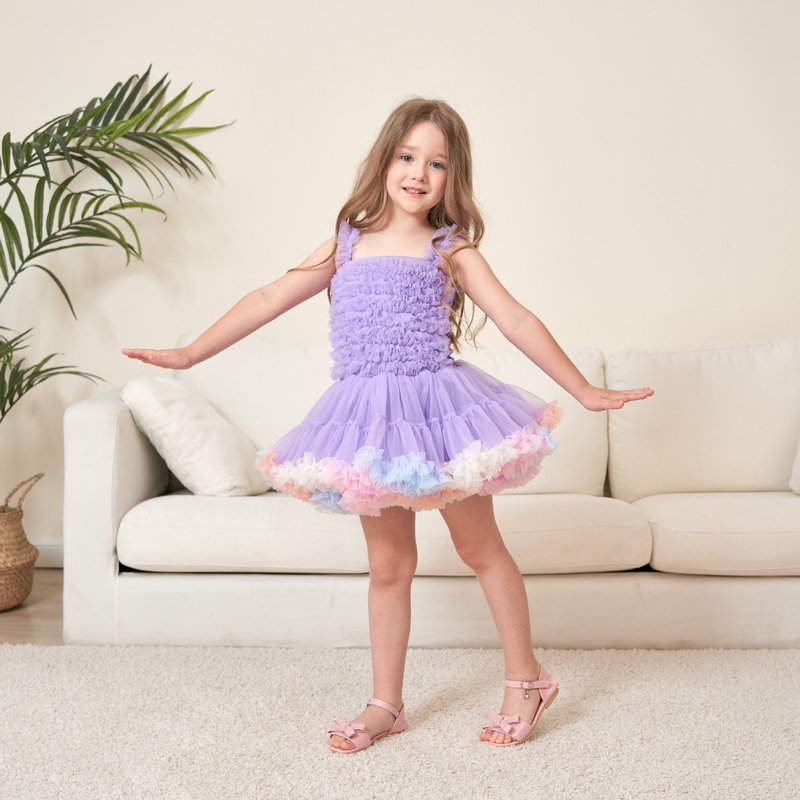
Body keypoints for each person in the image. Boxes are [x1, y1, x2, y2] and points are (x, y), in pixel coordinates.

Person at [123, 97, 654, 752]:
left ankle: (527, 679)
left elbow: (515, 319)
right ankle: (386, 703)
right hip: (370, 425)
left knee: (480, 549)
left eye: (437, 163)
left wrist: (584, 388)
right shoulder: (346, 242)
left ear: (452, 178)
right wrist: (190, 354)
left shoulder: (449, 248)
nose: (418, 173)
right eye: (408, 156)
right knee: (389, 565)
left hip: (439, 417)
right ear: (384, 160)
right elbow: (268, 297)